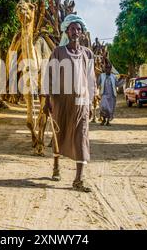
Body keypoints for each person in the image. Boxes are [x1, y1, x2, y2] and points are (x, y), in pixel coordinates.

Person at [43, 14, 96, 193]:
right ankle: (56, 165)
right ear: (67, 31)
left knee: (82, 137)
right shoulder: (58, 52)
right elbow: (49, 77)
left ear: (81, 33)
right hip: (61, 102)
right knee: (60, 134)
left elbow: (90, 80)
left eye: (78, 29)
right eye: (73, 28)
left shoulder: (87, 53)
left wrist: (91, 102)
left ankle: (79, 179)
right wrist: (47, 99)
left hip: (81, 103)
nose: (76, 32)